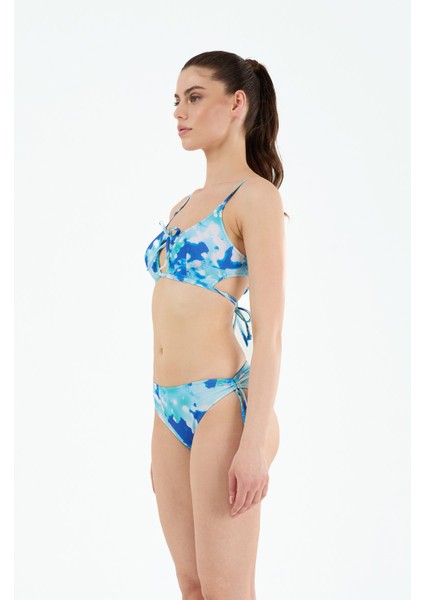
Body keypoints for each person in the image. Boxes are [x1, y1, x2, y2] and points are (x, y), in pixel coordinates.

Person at [144, 50, 287, 600]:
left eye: (195, 97)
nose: (179, 111)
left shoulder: (256, 197)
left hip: (222, 407)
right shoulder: (183, 205)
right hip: (167, 407)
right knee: (192, 585)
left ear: (237, 103)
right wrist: (159, 429)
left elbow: (270, 333)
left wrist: (253, 446)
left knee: (227, 589)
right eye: (177, 100)